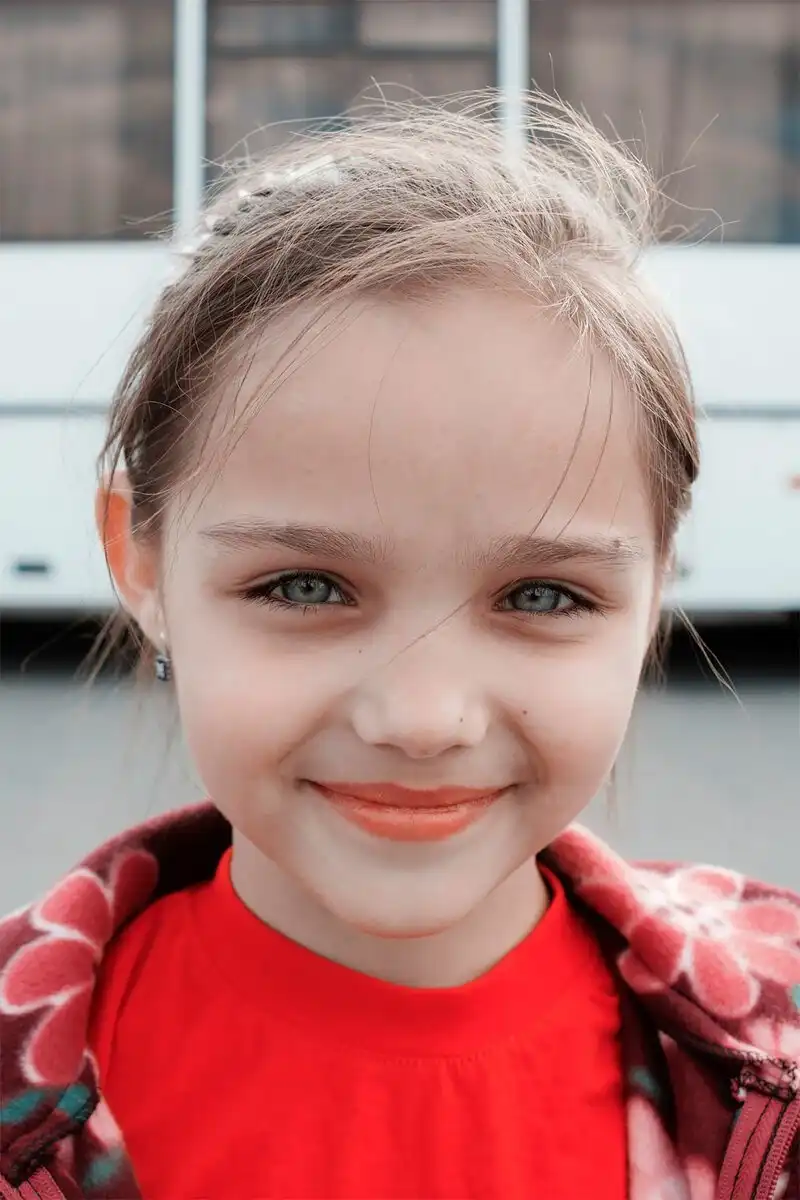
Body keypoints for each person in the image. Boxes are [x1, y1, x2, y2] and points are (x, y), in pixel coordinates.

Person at [1, 93, 799, 1200]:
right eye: (303, 586)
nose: (422, 720)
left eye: (541, 595)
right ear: (140, 562)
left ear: (657, 582)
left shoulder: (776, 1052)